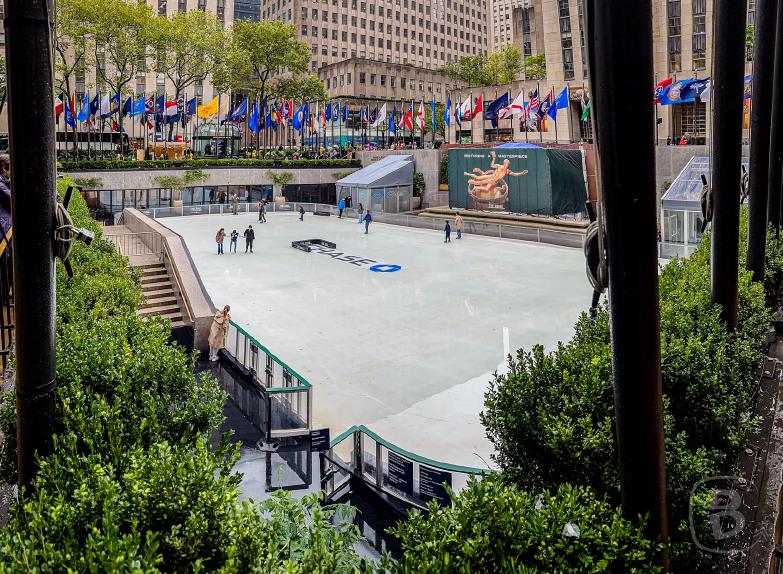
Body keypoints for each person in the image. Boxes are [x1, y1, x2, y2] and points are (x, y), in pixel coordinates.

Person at [0, 154, 12, 236]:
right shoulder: (1, 187)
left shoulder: (4, 181)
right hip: (4, 229)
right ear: (4, 169)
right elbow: (12, 203)